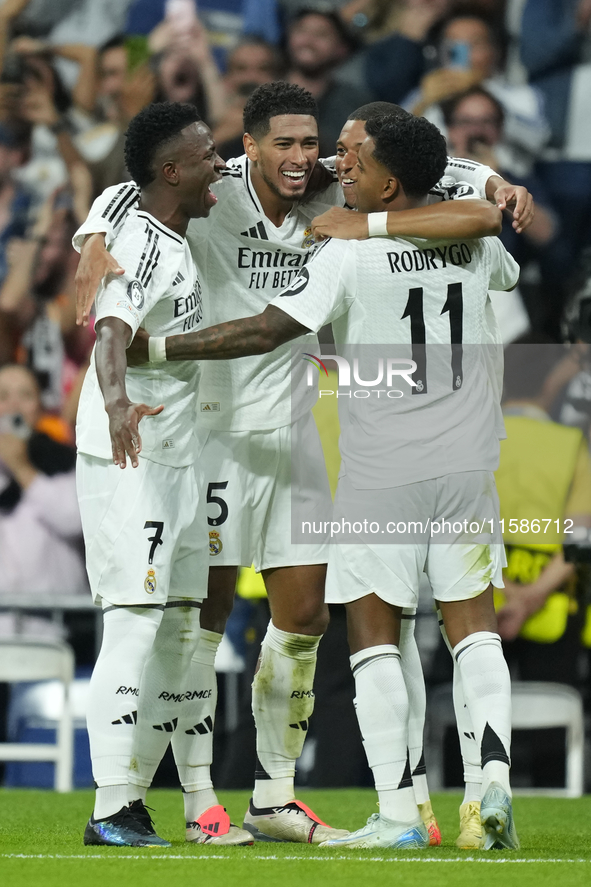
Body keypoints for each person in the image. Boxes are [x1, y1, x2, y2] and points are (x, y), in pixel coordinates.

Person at [74, 81, 527, 845]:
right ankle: (193, 798)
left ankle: (273, 793)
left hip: (293, 430)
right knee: (200, 620)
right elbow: (131, 188)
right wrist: (93, 230)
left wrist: (492, 180)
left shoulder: (336, 196)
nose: (301, 158)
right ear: (243, 147)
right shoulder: (212, 192)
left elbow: (440, 170)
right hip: (208, 433)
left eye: (310, 144)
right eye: (279, 144)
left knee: (309, 616)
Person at [75, 101, 245, 847]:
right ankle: (112, 805)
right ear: (171, 171)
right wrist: (114, 401)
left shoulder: (169, 227)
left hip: (177, 454)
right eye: (208, 156)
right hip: (130, 455)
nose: (221, 165)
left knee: (179, 625)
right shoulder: (142, 244)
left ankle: (141, 796)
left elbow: (123, 188)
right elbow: (111, 329)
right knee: (135, 621)